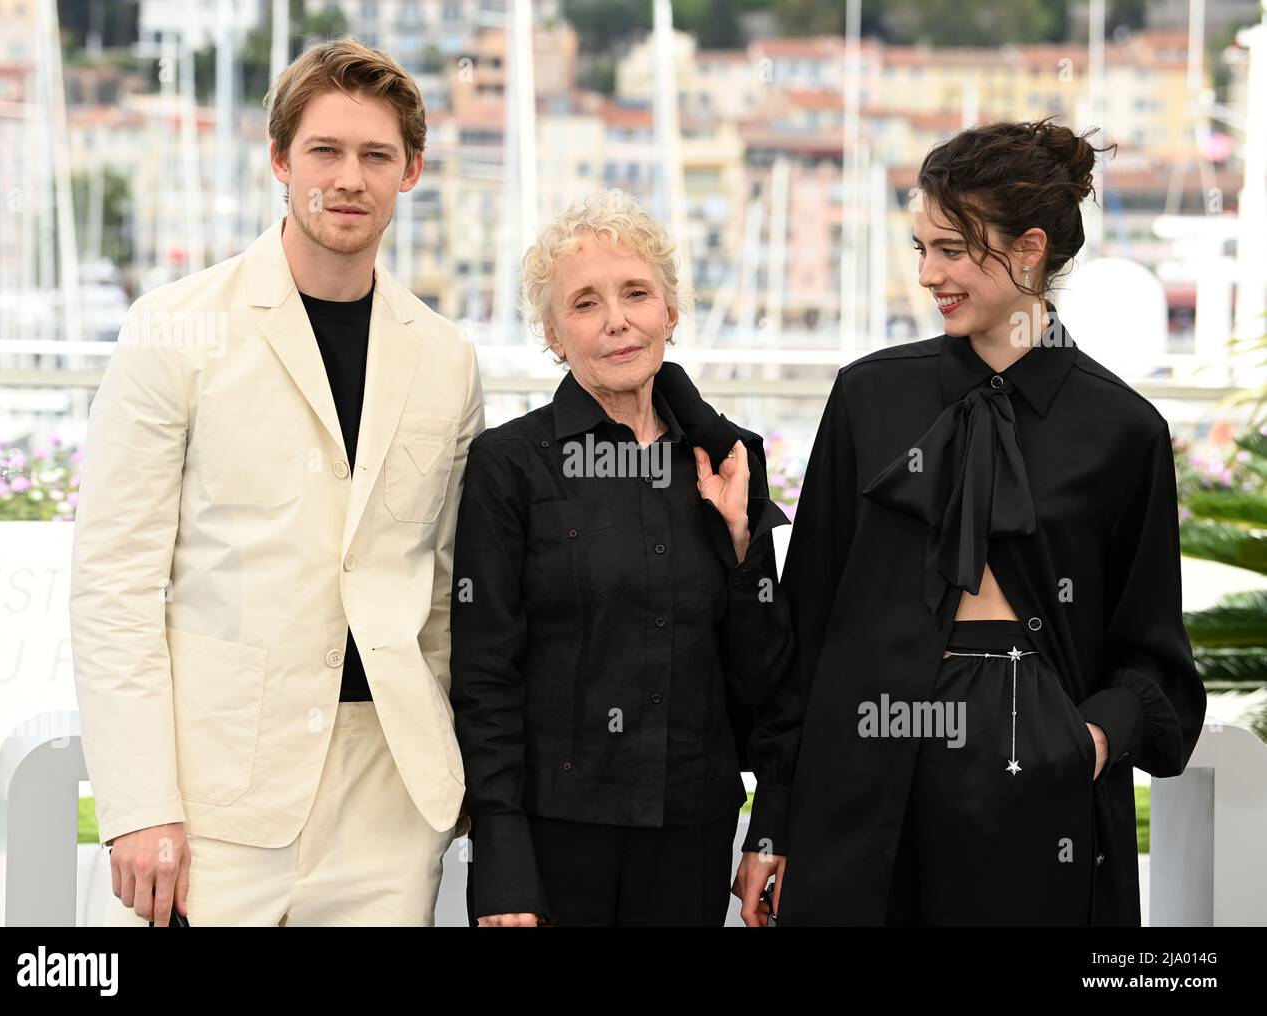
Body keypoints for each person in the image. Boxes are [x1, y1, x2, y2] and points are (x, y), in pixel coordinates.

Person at [734, 117, 1206, 926]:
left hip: (1035, 786)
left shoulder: (1124, 432)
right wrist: (771, 818)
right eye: (921, 248)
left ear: (1028, 249)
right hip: (862, 777)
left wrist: (1085, 740)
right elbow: (805, 625)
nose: (928, 274)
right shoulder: (867, 398)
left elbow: (1151, 658)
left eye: (952, 249)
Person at [70, 38, 483, 927]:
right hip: (212, 796)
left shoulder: (447, 359)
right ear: (278, 161)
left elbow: (451, 587)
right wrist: (140, 807)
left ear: (410, 173)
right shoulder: (172, 329)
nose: (348, 178)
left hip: (388, 800)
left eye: (376, 156)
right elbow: (115, 587)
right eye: (325, 151)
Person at [450, 189, 792, 926]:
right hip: (554, 836)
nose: (616, 321)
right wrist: (502, 857)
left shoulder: (732, 458)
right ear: (551, 334)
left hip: (692, 829)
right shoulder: (509, 465)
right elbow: (483, 676)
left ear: (671, 311)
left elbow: (765, 674)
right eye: (584, 303)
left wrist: (740, 542)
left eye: (636, 293)